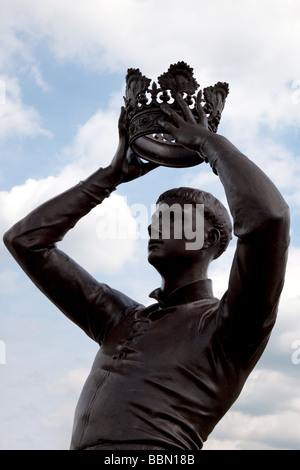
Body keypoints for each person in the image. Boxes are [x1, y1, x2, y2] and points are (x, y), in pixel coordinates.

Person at [3, 94, 290, 451]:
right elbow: (26, 241)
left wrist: (208, 143)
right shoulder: (118, 318)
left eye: (174, 219)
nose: (155, 229)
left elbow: (269, 220)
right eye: (155, 220)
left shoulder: (231, 326)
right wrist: (110, 176)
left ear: (213, 240)